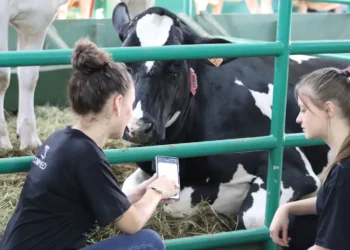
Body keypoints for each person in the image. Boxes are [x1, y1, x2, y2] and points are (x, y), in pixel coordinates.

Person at [0, 38, 180, 250]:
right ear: (117, 104)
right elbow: (132, 223)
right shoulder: (86, 156)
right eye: (131, 105)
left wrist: (143, 191)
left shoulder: (62, 140)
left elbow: (101, 200)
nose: (131, 114)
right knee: (148, 242)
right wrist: (157, 191)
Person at [269, 67, 350, 250]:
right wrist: (287, 208)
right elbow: (335, 202)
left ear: (329, 109)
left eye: (304, 110)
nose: (298, 119)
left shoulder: (344, 172)